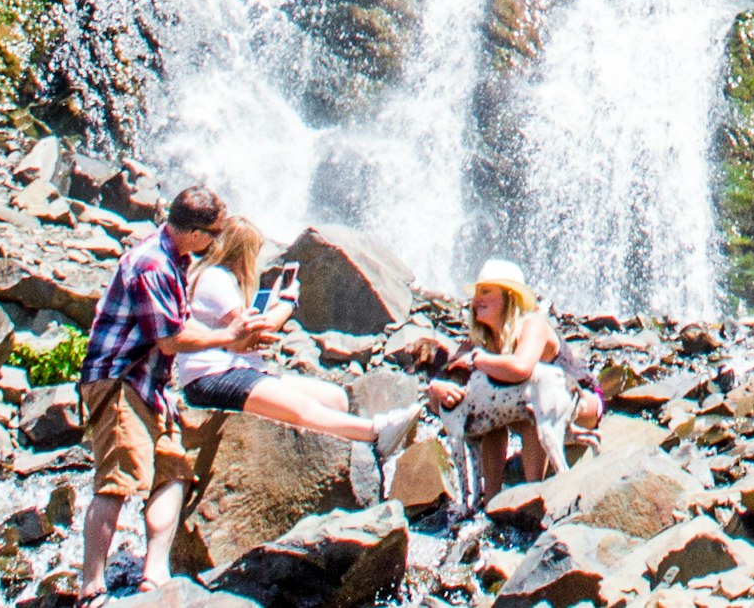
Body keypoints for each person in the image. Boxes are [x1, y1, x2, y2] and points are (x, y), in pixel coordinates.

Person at [173, 218, 424, 469]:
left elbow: (245, 328)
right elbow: (255, 331)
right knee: (302, 407)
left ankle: (346, 457)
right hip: (213, 376)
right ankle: (377, 432)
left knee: (336, 399)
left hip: (241, 370)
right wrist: (287, 301)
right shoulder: (214, 278)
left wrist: (272, 304)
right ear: (243, 251)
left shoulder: (225, 281)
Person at [76, 186, 227, 602]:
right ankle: (91, 586)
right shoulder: (152, 263)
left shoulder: (174, 261)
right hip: (120, 382)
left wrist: (228, 335)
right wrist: (229, 336)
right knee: (116, 482)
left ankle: (154, 575)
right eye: (213, 234)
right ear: (194, 231)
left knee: (173, 472)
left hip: (150, 387)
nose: (214, 242)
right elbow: (170, 338)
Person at [415, 263, 572, 493]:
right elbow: (449, 375)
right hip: (535, 408)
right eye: (477, 293)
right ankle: (490, 502)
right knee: (488, 422)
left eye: (486, 292)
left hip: (574, 400)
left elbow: (521, 368)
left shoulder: (532, 325)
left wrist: (478, 360)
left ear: (510, 297)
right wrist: (436, 387)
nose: (477, 299)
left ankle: (536, 495)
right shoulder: (481, 340)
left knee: (531, 415)